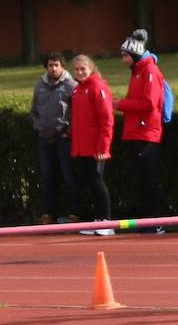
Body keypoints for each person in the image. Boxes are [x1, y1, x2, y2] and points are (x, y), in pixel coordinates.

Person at [115, 29, 166, 234]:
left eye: (126, 55)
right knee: (142, 179)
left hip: (146, 133)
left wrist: (120, 104)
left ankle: (155, 221)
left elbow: (149, 102)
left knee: (148, 179)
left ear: (135, 54)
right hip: (137, 132)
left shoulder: (149, 71)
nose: (123, 60)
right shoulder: (138, 72)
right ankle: (148, 220)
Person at [30, 52, 78, 224]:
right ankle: (50, 214)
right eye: (50, 65)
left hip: (63, 138)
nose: (53, 68)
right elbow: (33, 111)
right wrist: (38, 126)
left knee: (69, 176)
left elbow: (78, 113)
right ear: (46, 67)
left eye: (56, 65)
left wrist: (68, 131)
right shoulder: (39, 86)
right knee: (49, 177)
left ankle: (74, 213)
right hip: (45, 139)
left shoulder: (71, 86)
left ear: (62, 67)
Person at [70, 55, 115, 236]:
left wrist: (103, 147)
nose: (80, 72)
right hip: (82, 147)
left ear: (91, 69)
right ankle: (97, 220)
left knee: (97, 182)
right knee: (89, 182)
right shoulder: (77, 90)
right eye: (77, 69)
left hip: (96, 148)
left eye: (83, 69)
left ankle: (106, 221)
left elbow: (107, 119)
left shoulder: (97, 87)